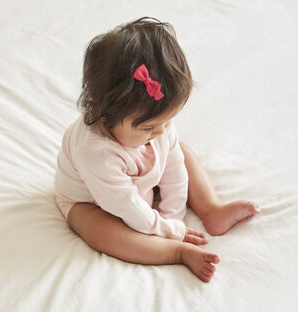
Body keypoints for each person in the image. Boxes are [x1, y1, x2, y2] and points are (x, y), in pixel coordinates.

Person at [54, 17, 260, 282]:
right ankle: (174, 253)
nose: (162, 132)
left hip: (138, 180)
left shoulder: (155, 123)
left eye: (168, 121)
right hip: (96, 200)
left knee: (183, 152)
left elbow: (174, 168)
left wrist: (173, 214)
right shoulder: (96, 153)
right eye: (149, 128)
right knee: (98, 230)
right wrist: (168, 233)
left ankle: (210, 209)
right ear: (104, 115)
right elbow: (127, 206)